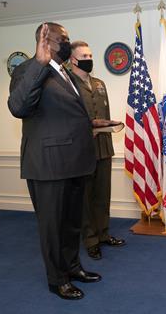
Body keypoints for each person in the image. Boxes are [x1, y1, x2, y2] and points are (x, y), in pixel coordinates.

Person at [7, 22, 107, 300]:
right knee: (53, 227)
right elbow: (18, 107)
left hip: (74, 161)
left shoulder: (64, 72)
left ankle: (73, 267)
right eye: (63, 38)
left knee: (72, 224)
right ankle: (57, 279)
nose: (67, 42)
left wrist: (92, 123)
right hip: (48, 165)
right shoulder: (27, 70)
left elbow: (64, 114)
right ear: (45, 39)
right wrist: (39, 64)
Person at [69, 41, 126, 260]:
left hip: (103, 146)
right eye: (84, 55)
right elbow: (67, 118)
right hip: (81, 150)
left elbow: (104, 112)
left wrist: (108, 124)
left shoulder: (99, 83)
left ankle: (103, 234)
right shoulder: (68, 84)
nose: (88, 58)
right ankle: (90, 240)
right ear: (73, 59)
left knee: (102, 194)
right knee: (86, 197)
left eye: (90, 54)